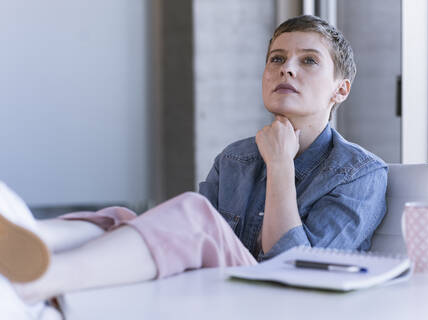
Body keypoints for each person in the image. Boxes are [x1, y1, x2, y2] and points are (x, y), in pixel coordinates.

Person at [0, 15, 387, 319]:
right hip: (220, 289)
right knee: (123, 218)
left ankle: (40, 281)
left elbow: (298, 271)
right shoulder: (237, 158)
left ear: (340, 90)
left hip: (277, 302)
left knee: (194, 213)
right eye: (277, 58)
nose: (287, 69)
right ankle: (26, 237)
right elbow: (186, 244)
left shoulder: (362, 174)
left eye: (309, 61)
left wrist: (280, 165)